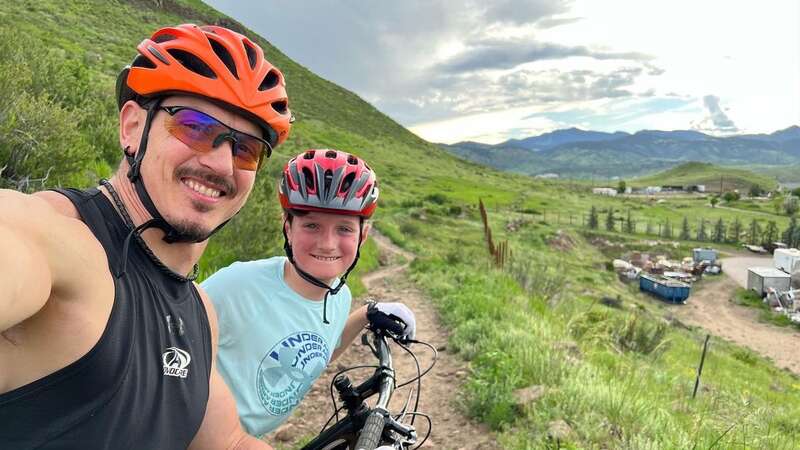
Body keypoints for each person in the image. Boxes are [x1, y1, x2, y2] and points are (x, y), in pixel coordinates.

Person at [0, 24, 291, 449]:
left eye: (245, 149)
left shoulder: (199, 311)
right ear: (132, 127)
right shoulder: (62, 240)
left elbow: (227, 442)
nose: (222, 164)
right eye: (195, 127)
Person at [201, 148, 416, 436]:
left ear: (363, 236)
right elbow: (164, 356)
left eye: (344, 229)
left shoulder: (339, 296)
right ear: (287, 227)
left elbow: (320, 351)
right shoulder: (237, 285)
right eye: (312, 225)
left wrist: (367, 313)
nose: (327, 243)